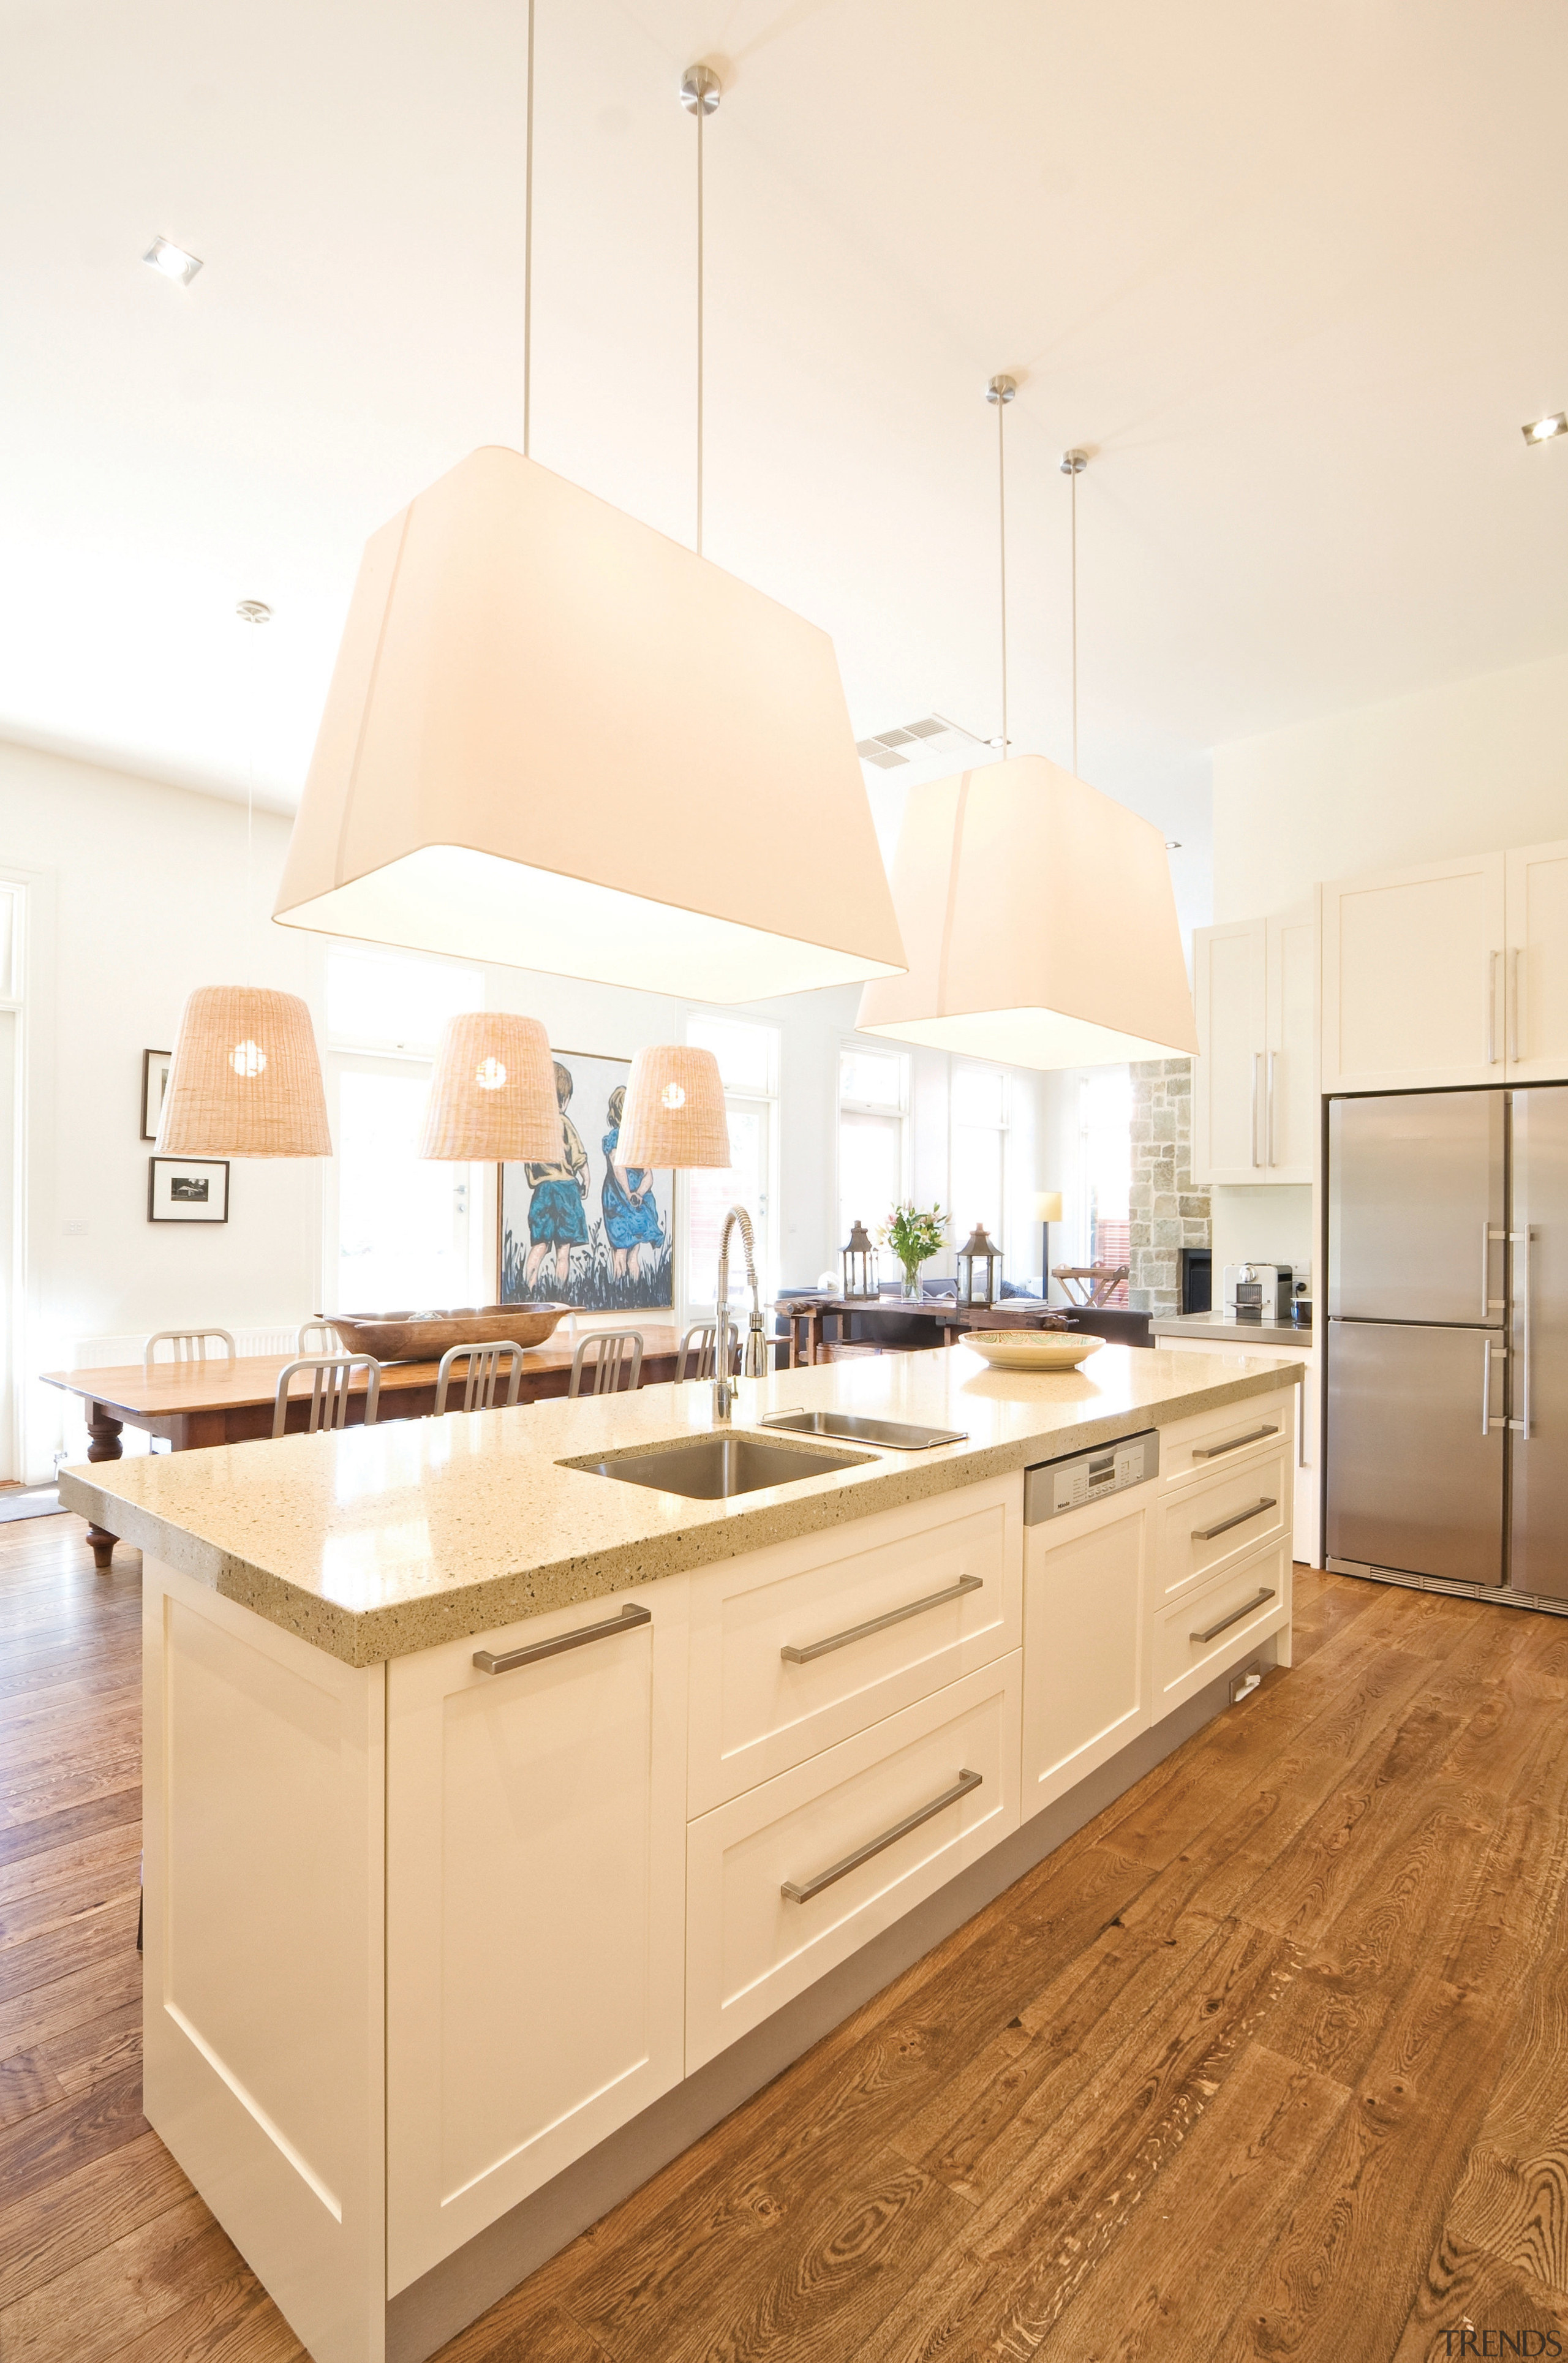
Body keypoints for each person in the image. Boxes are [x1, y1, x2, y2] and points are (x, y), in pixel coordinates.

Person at [522, 1062, 589, 1293]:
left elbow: (529, 1164)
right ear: (563, 1098)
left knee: (539, 1246)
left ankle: (528, 1290)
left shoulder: (533, 1126)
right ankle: (561, 1293)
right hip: (566, 1191)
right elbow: (578, 1155)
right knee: (563, 1250)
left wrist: (536, 1180)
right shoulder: (563, 1122)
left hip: (543, 1192)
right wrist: (586, 1179)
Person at [601, 1083, 663, 1287]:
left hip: (621, 1200)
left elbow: (619, 1168)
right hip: (634, 1200)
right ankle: (633, 1293)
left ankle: (620, 1293)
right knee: (633, 1253)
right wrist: (638, 1193)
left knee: (620, 1251)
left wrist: (630, 1193)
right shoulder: (638, 1140)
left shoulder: (617, 1138)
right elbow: (648, 1175)